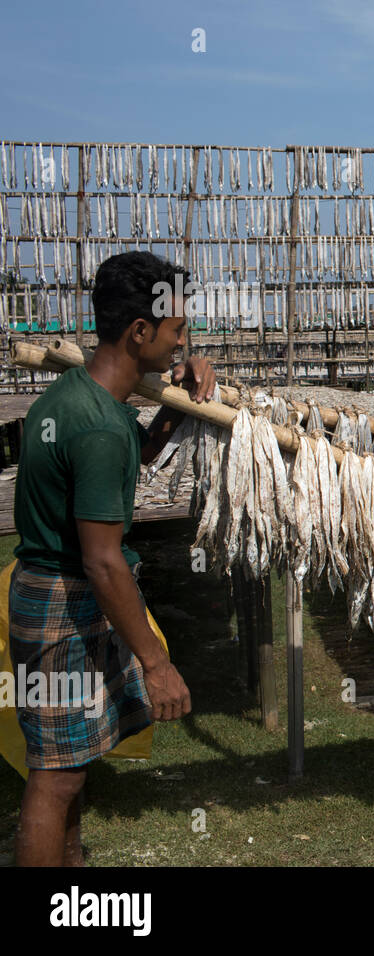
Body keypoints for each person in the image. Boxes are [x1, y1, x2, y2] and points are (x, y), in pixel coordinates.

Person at [11, 251, 217, 865]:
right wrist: (157, 664)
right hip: (66, 598)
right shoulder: (96, 426)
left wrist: (180, 396)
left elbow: (138, 456)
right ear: (140, 332)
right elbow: (103, 562)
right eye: (178, 331)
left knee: (67, 764)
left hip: (61, 589)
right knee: (56, 775)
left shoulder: (82, 396)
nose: (184, 343)